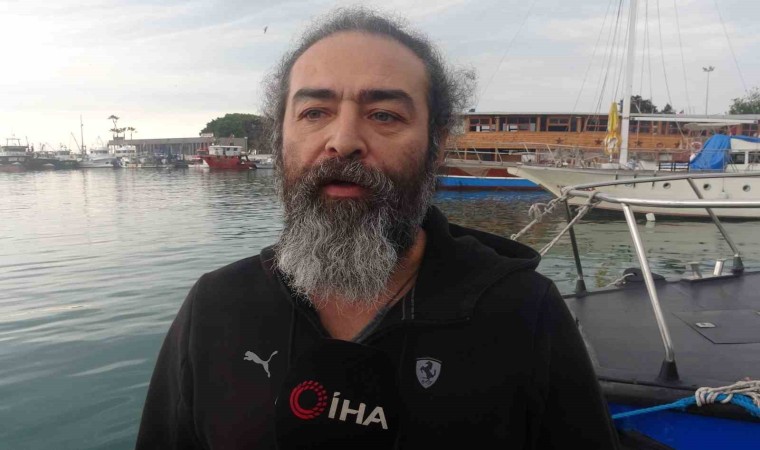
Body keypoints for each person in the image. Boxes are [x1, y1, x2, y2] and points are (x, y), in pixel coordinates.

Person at [136, 6, 620, 449]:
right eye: (315, 113)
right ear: (280, 137)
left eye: (384, 115)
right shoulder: (216, 308)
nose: (343, 140)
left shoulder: (522, 312)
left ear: (436, 144)